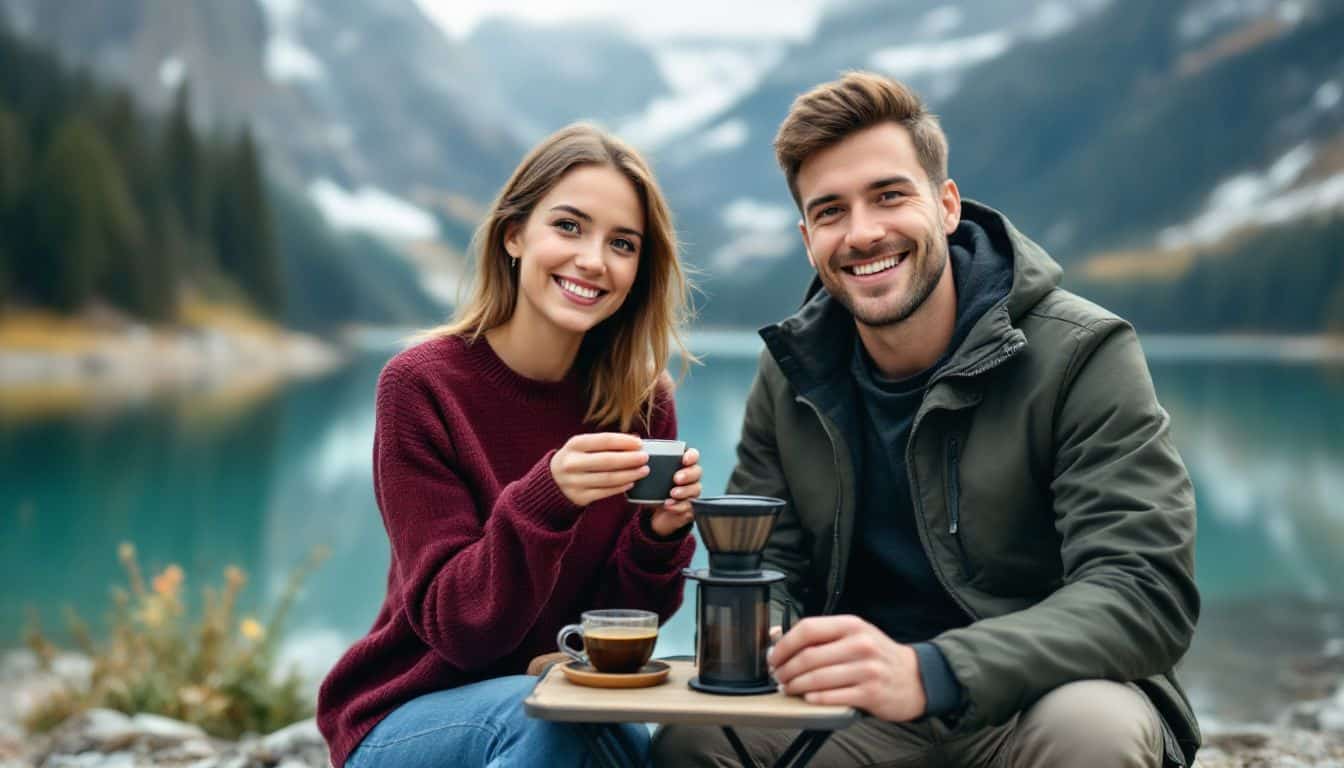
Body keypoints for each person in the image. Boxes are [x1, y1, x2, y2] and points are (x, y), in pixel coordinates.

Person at [652, 72, 1200, 767]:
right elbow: (770, 567)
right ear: (807, 237)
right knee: (693, 736)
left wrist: (933, 671)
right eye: (830, 212)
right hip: (856, 716)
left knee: (1094, 730)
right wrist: (769, 638)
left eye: (889, 196)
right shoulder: (790, 372)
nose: (863, 233)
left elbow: (1143, 589)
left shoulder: (1083, 352)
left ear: (945, 205)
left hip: (1035, 701)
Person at [318, 123, 703, 768]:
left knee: (648, 750)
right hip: (408, 714)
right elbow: (462, 631)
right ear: (514, 234)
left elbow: (620, 627)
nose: (593, 261)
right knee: (546, 725)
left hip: (552, 701)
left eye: (623, 244)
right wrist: (547, 498)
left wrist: (658, 537)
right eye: (570, 227)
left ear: (639, 270)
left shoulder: (643, 403)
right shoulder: (422, 385)